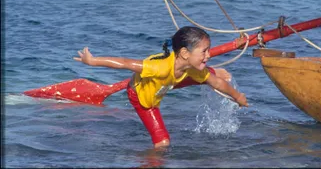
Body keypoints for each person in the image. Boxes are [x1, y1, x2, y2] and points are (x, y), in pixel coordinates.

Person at [74, 26, 249, 148]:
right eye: (204, 51)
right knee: (163, 143)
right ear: (184, 53)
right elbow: (125, 63)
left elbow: (218, 83)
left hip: (170, 80)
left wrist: (238, 96)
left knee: (209, 76)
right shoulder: (158, 68)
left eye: (209, 50)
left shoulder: (190, 66)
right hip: (142, 97)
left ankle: (211, 72)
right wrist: (92, 61)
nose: (209, 55)